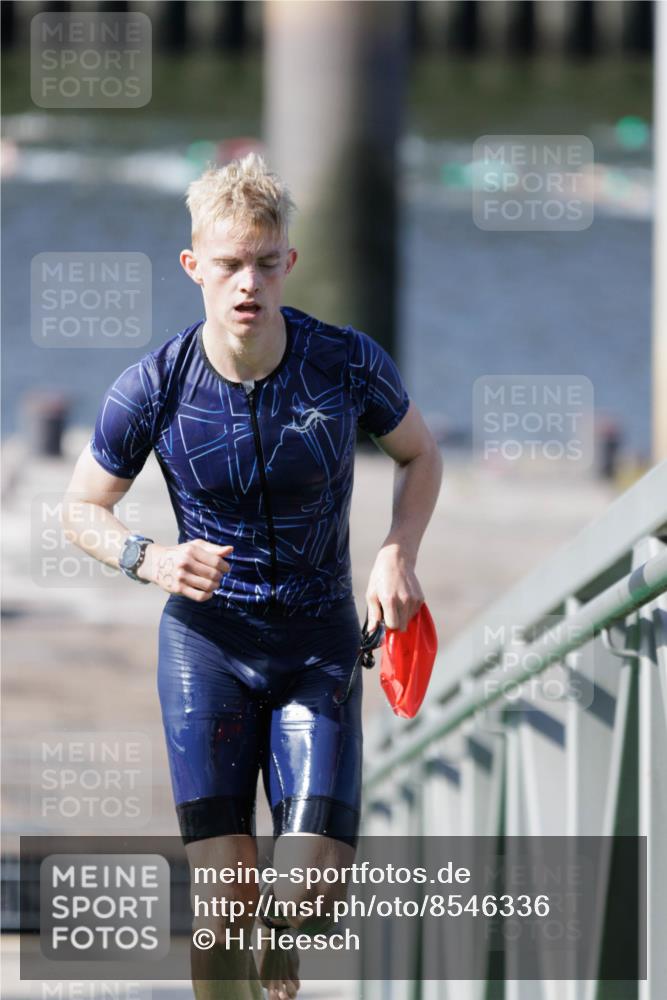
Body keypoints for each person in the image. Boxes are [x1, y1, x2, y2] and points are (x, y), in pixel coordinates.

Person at [61, 153, 443, 1000]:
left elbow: (419, 453)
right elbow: (82, 507)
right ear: (193, 265)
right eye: (230, 263)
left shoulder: (343, 362)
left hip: (318, 643)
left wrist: (397, 550)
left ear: (288, 263)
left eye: (266, 263)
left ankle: (285, 931)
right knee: (224, 898)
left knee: (309, 895)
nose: (248, 284)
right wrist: (150, 558)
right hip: (207, 650)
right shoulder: (153, 385)